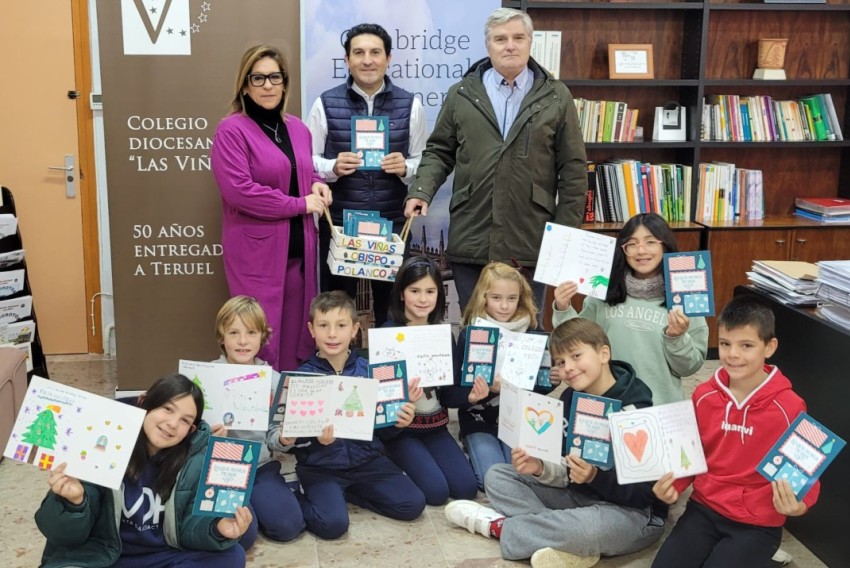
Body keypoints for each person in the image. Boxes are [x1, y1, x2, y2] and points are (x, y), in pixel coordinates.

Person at [404, 7, 587, 312]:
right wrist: (421, 191)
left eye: (518, 37)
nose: (510, 45)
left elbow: (573, 168)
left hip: (529, 235)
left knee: (524, 330)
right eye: (500, 39)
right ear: (488, 45)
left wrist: (565, 230)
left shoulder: (556, 96)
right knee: (475, 328)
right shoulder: (461, 93)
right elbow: (439, 151)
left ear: (531, 43)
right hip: (472, 234)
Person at [444, 318, 666, 568]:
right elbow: (565, 471)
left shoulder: (636, 410)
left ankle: (500, 527)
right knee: (497, 476)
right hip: (579, 497)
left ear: (604, 353)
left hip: (630, 513)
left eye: (576, 356)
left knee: (591, 529)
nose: (568, 368)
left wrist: (594, 476)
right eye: (560, 362)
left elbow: (646, 495)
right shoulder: (571, 397)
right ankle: (565, 541)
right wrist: (540, 467)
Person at [652, 296, 819, 567]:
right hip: (704, 509)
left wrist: (800, 504)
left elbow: (806, 466)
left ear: (769, 347)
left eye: (747, 345)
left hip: (757, 524)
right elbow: (690, 450)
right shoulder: (704, 395)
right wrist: (676, 483)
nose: (733, 355)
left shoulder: (789, 406)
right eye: (726, 344)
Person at [35, 374, 252, 568]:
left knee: (232, 556)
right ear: (144, 402)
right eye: (167, 409)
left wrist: (216, 529)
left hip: (162, 556)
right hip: (104, 555)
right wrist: (74, 504)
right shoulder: (102, 439)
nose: (173, 424)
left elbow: (188, 530)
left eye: (185, 421)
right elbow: (62, 535)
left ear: (191, 430)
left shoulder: (195, 459)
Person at [211, 44, 332, 371]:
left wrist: (317, 182)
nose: (268, 86)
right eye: (259, 78)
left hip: (300, 253)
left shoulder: (297, 128)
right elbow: (240, 191)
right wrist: (300, 203)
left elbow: (299, 170)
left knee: (296, 337)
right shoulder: (231, 130)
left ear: (285, 82)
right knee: (258, 335)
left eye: (274, 77)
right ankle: (255, 412)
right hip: (256, 255)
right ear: (245, 85)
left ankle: (288, 409)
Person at [266, 291, 426, 539]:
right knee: (333, 526)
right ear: (311, 330)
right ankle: (298, 494)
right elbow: (294, 439)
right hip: (322, 467)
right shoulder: (302, 379)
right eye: (323, 325)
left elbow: (383, 429)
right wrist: (316, 440)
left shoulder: (371, 372)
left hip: (368, 461)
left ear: (354, 329)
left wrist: (399, 421)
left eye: (341, 326)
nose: (332, 334)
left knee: (413, 504)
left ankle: (349, 493)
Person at [308, 23, 427, 327]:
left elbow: (424, 162)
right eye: (358, 53)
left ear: (388, 58)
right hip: (341, 226)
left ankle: (392, 373)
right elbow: (307, 161)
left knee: (393, 312)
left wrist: (406, 168)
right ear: (346, 60)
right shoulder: (324, 103)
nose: (367, 60)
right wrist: (332, 167)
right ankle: (341, 372)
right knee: (337, 313)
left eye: (375, 52)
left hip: (392, 225)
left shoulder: (411, 105)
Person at [552, 213, 708, 405]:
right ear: (623, 250)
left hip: (660, 406)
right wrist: (563, 307)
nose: (640, 251)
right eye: (632, 244)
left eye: (650, 242)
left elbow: (690, 367)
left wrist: (676, 337)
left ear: (664, 245)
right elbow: (575, 344)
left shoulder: (686, 295)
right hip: (608, 403)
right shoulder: (603, 294)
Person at [443, 261, 557, 489]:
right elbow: (451, 396)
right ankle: (474, 449)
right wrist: (474, 396)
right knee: (491, 480)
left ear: (521, 298)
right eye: (496, 298)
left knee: (524, 476)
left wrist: (550, 382)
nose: (504, 306)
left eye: (512, 299)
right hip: (479, 419)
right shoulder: (470, 334)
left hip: (519, 420)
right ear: (483, 297)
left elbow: (539, 388)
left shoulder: (532, 332)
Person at [378, 256, 478, 505]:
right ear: (401, 294)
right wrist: (403, 399)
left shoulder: (443, 336)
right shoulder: (388, 334)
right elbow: (380, 401)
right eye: (415, 291)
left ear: (439, 295)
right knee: (436, 493)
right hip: (400, 433)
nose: (423, 299)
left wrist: (471, 396)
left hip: (435, 427)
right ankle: (390, 459)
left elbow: (449, 395)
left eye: (430, 291)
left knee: (466, 489)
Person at [210, 296, 305, 546]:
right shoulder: (207, 377)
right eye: (233, 333)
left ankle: (266, 501)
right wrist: (206, 434)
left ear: (262, 336)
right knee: (243, 536)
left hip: (261, 467)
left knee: (288, 527)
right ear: (222, 337)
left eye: (251, 332)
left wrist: (283, 439)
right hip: (222, 468)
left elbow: (275, 435)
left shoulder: (273, 381)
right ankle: (243, 508)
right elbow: (193, 429)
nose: (243, 341)